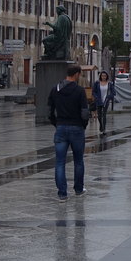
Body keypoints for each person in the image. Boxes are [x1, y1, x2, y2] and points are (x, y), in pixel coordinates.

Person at [48, 64, 88, 200]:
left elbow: (49, 111)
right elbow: (84, 112)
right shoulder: (79, 90)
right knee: (78, 161)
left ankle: (62, 193)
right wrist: (83, 125)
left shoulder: (55, 90)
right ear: (76, 74)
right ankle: (78, 189)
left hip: (61, 127)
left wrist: (56, 123)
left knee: (60, 162)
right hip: (76, 128)